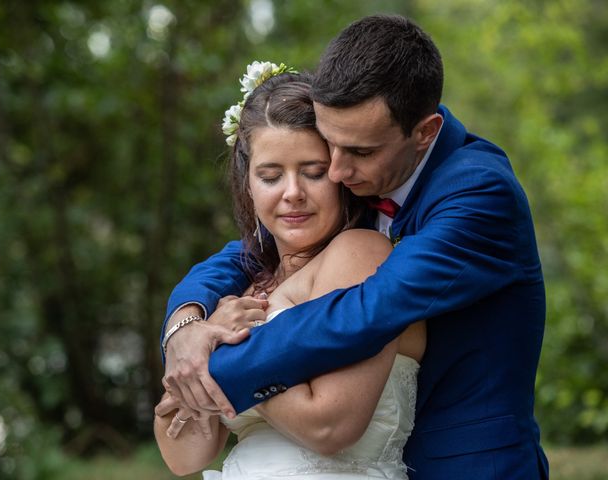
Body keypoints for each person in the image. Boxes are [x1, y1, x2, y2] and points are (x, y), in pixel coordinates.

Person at [158, 15, 549, 479]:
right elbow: (235, 257)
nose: (339, 172)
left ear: (424, 132)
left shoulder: (476, 192)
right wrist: (185, 328)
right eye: (331, 148)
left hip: (473, 465)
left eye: (352, 154)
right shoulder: (359, 187)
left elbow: (369, 309)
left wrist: (214, 357)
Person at [155, 68, 426, 479]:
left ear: (340, 174)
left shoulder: (362, 255)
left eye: (313, 172)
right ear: (247, 183)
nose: (292, 192)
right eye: (270, 175)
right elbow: (185, 456)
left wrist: (215, 359)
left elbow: (330, 425)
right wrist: (192, 353)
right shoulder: (244, 285)